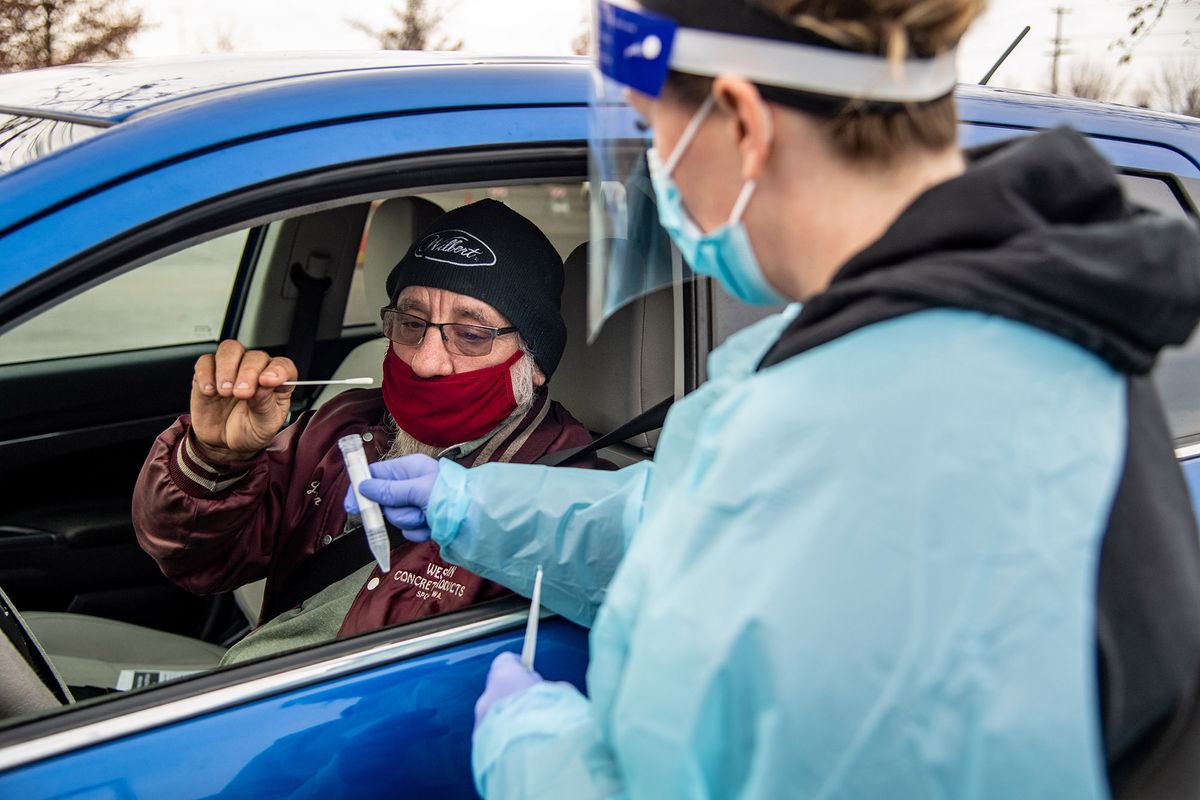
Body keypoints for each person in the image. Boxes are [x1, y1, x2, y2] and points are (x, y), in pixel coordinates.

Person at [350, 1, 1200, 797]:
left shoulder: (871, 442)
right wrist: (473, 505)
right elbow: (686, 522)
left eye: (656, 139)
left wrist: (536, 757)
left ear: (745, 126)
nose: (658, 177)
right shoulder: (961, 343)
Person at [133, 199, 599, 665]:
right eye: (412, 324)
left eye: (470, 335)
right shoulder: (344, 425)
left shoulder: (566, 493)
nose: (425, 361)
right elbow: (199, 563)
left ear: (534, 360)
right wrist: (216, 459)